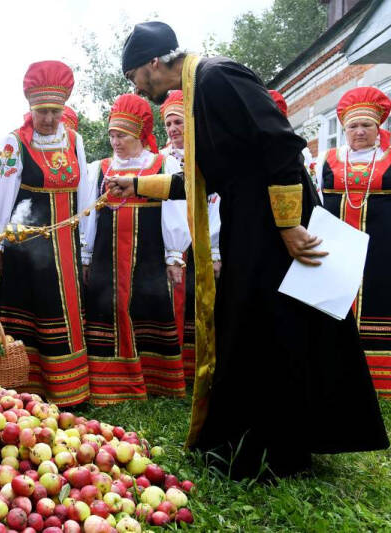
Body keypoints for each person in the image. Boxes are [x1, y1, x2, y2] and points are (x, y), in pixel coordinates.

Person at [115, 21, 388, 479]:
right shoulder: (199, 88)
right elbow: (209, 178)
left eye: (134, 78)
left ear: (152, 63)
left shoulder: (218, 77)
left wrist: (288, 227)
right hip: (252, 226)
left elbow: (281, 145)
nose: (138, 89)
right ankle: (253, 442)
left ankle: (271, 451)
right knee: (253, 330)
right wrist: (137, 184)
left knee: (269, 329)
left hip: (271, 228)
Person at [0, 60, 91, 407]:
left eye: (55, 111)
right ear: (30, 109)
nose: (48, 119)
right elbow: (2, 195)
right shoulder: (14, 142)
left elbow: (86, 193)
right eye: (42, 111)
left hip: (66, 244)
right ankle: (23, 385)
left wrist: (86, 244)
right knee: (32, 309)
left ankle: (69, 390)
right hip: (26, 246)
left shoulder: (74, 140)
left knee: (65, 309)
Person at [80, 93, 185, 403]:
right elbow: (88, 215)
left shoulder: (162, 163)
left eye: (122, 135)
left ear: (139, 133)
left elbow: (175, 209)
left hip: (148, 256)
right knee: (105, 307)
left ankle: (154, 379)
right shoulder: (98, 169)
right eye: (112, 134)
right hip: (106, 257)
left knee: (147, 305)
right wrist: (85, 255)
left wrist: (175, 254)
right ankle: (107, 382)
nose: (115, 141)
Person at [316, 87, 391, 397]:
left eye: (366, 126)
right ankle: (337, 375)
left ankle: (380, 381)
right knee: (334, 307)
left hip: (382, 249)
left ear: (378, 128)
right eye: (353, 126)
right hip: (337, 248)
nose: (359, 132)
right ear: (344, 129)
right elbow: (317, 203)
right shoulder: (327, 160)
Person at [158, 90, 221, 382]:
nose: (173, 129)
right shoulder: (160, 160)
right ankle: (175, 368)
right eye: (169, 124)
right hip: (173, 245)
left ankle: (202, 367)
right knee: (175, 303)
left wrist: (216, 249)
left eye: (179, 122)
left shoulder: (209, 156)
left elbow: (216, 201)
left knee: (204, 302)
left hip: (205, 240)